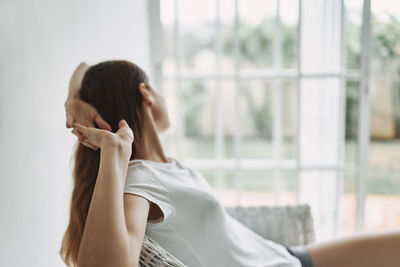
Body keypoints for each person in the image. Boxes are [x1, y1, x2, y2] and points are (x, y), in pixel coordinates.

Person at [60, 60, 400, 267]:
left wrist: (75, 100)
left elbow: (83, 68)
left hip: (285, 256)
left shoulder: (158, 167)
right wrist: (113, 153)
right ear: (146, 93)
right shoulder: (139, 181)